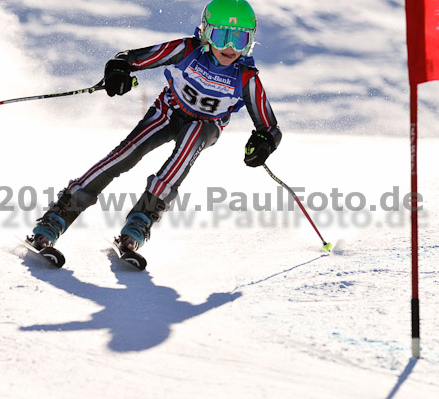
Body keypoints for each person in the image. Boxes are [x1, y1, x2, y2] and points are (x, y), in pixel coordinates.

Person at [29, 0, 282, 254]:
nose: (230, 47)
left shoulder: (246, 77)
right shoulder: (187, 50)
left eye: (238, 39)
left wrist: (263, 141)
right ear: (206, 33)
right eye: (221, 36)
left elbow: (270, 126)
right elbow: (134, 58)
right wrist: (120, 69)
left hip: (207, 125)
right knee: (125, 155)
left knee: (189, 143)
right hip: (168, 111)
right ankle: (57, 216)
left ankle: (139, 223)